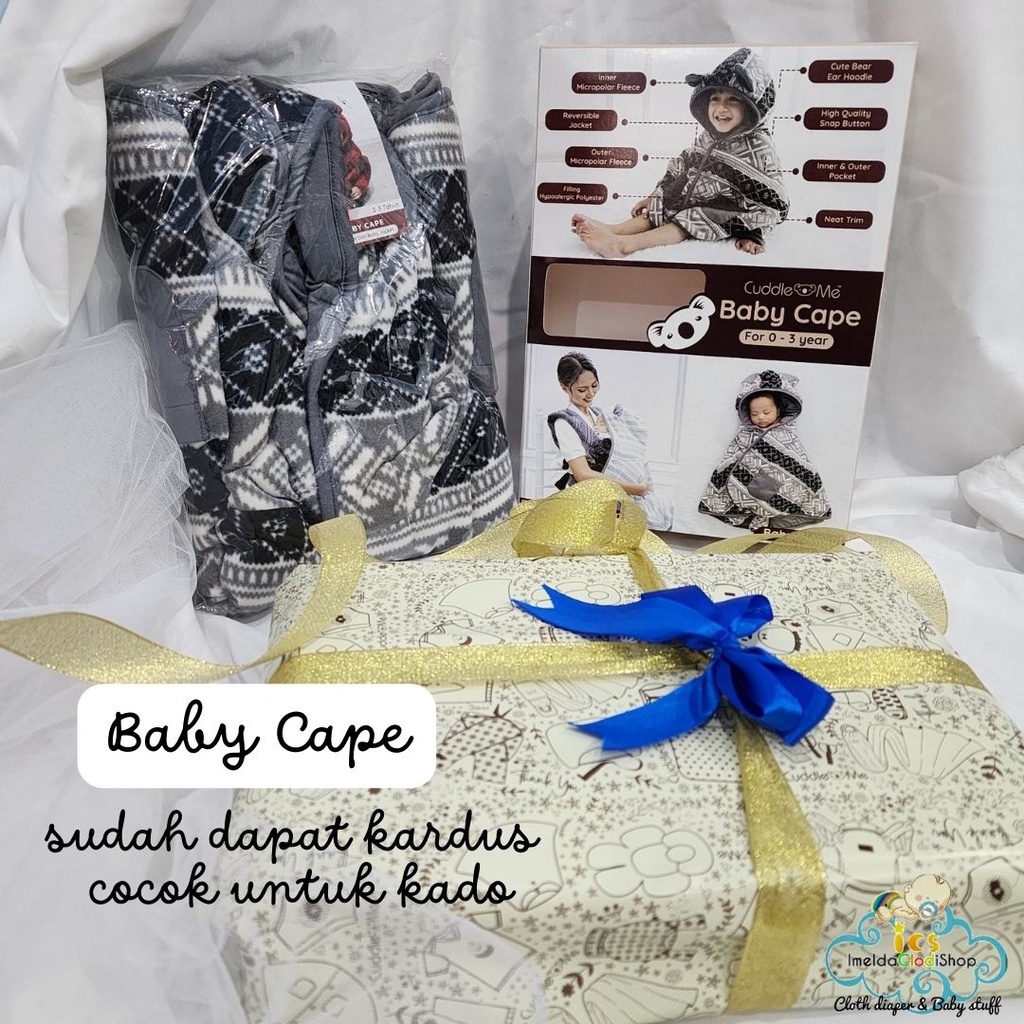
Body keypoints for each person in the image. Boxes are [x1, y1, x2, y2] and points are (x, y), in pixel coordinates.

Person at [571, 48, 789, 258]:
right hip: (696, 197)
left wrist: (753, 233)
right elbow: (683, 164)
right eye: (715, 98)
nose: (721, 108)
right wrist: (654, 196)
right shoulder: (708, 137)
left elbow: (772, 205)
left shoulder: (760, 148)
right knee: (665, 204)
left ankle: (623, 246)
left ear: (752, 107)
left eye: (733, 99)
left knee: (689, 217)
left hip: (728, 209)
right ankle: (614, 230)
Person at [547, 352, 673, 530]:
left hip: (617, 491)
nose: (590, 394)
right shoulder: (565, 422)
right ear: (564, 388)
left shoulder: (600, 414)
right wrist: (636, 489)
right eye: (582, 390)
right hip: (590, 496)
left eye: (594, 385)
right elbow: (583, 474)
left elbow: (628, 446)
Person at [698, 368, 830, 533]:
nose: (760, 417)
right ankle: (754, 514)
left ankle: (775, 513)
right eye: (754, 414)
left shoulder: (787, 433)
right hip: (748, 483)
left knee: (795, 480)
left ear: (778, 411)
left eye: (766, 412)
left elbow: (797, 458)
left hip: (782, 485)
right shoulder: (745, 434)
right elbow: (733, 456)